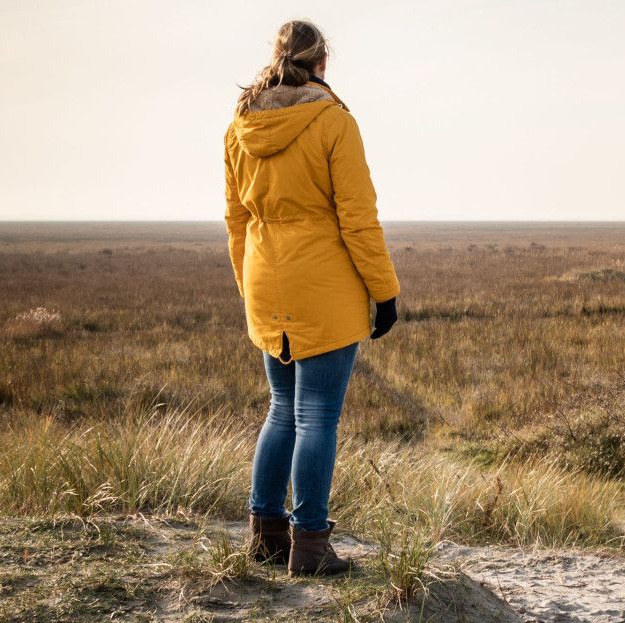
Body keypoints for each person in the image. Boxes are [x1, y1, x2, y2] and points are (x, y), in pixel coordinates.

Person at [223, 19, 400, 577]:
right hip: (324, 287)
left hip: (265, 280)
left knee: (282, 410)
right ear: (322, 64)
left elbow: (235, 220)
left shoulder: (239, 126)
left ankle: (265, 533)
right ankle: (312, 544)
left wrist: (248, 285)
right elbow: (358, 218)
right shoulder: (333, 121)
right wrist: (385, 291)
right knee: (317, 415)